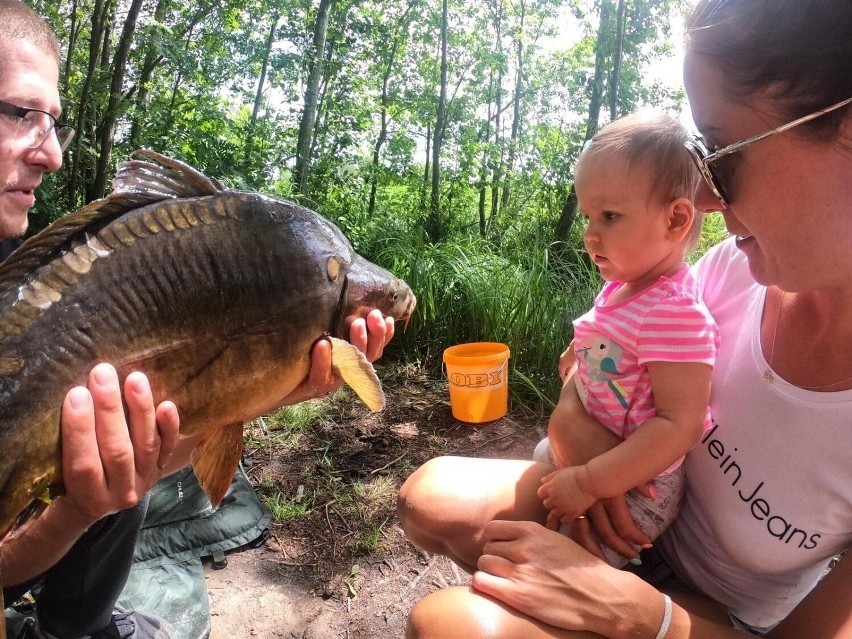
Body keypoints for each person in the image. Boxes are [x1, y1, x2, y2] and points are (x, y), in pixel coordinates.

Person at [397, 0, 852, 637]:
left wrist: (645, 615)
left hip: (712, 619)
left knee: (451, 626)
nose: (704, 200)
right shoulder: (725, 271)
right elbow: (597, 361)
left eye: (722, 150)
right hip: (634, 520)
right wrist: (579, 433)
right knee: (430, 496)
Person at [0, 2, 394, 637]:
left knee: (129, 432)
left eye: (55, 124)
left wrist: (263, 393)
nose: (52, 157)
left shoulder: (22, 272)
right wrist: (75, 507)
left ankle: (75, 627)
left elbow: (173, 444)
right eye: (22, 114)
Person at [534, 110, 719, 568]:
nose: (590, 234)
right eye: (589, 216)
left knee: (556, 572)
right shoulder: (625, 284)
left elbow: (681, 424)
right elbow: (604, 332)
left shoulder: (673, 311)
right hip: (590, 447)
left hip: (634, 486)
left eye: (611, 216)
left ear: (676, 220)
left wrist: (590, 482)